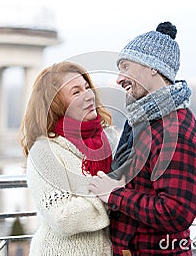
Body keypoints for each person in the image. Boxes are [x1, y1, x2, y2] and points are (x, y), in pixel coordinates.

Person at [88, 21, 196, 255]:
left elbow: (177, 212)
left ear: (153, 66)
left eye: (126, 67)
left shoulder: (175, 129)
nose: (119, 78)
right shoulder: (146, 121)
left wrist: (115, 195)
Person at [20, 61, 117, 256]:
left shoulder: (110, 138)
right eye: (76, 92)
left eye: (87, 87)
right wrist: (110, 196)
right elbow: (61, 218)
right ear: (56, 104)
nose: (88, 95)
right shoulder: (44, 152)